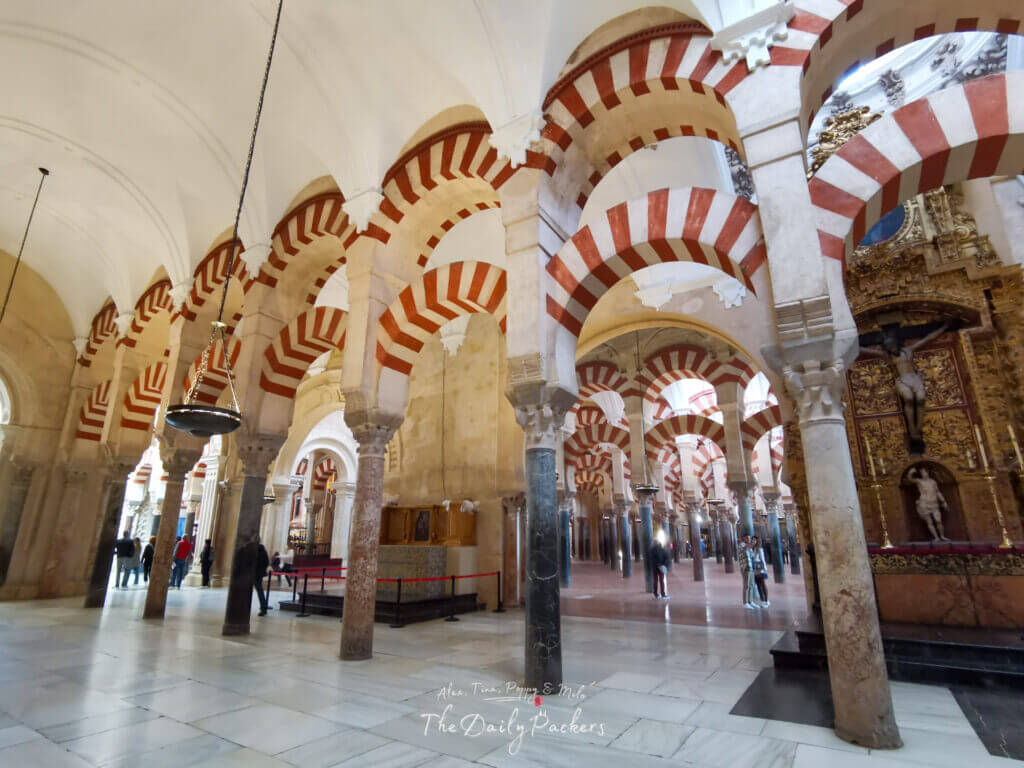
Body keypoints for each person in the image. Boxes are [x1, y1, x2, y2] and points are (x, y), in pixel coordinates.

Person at [738, 535, 758, 609]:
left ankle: (750, 601)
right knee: (746, 585)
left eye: (749, 538)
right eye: (747, 538)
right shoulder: (741, 545)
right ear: (743, 538)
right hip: (745, 567)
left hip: (751, 567)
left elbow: (752, 556)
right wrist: (752, 544)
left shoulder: (750, 547)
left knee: (751, 585)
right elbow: (744, 549)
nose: (749, 539)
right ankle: (745, 602)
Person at [751, 536, 769, 606]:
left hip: (760, 569)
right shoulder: (752, 549)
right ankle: (762, 600)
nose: (753, 541)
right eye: (752, 540)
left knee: (763, 584)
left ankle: (766, 600)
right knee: (758, 585)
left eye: (754, 540)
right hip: (754, 569)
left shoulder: (759, 549)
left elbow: (762, 559)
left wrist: (764, 569)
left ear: (757, 541)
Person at [255, 541, 271, 616]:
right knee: (260, 590)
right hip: (259, 573)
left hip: (252, 573)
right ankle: (263, 607)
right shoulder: (263, 550)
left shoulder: (253, 550)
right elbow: (267, 562)